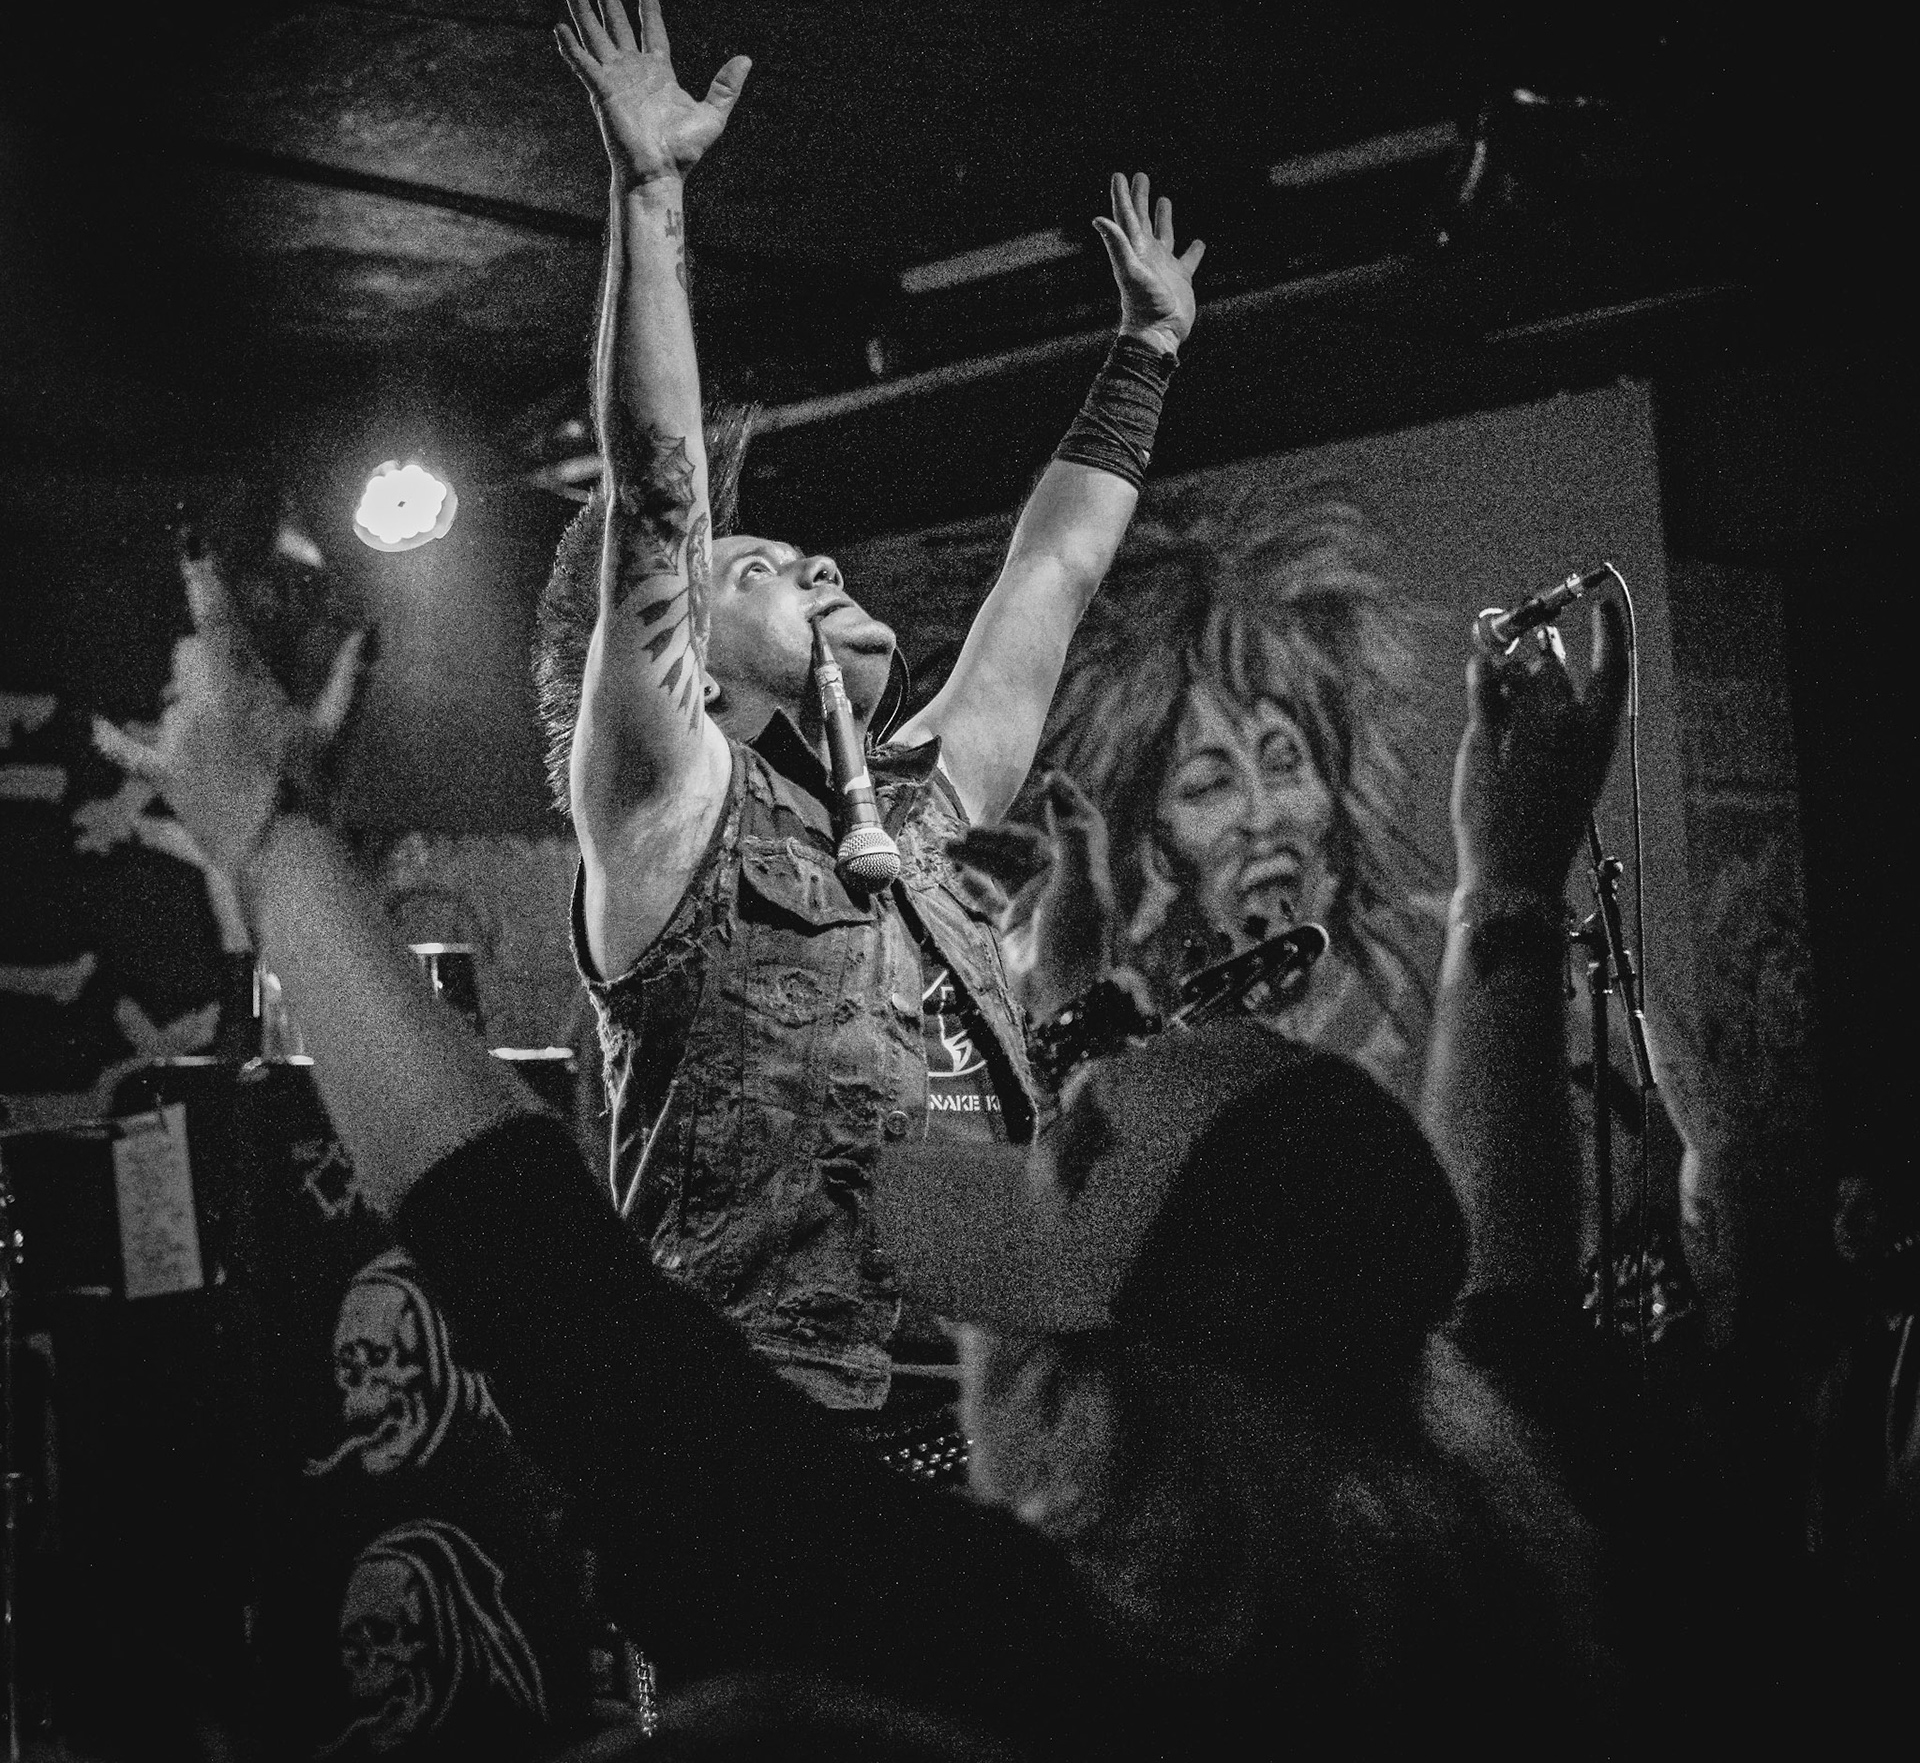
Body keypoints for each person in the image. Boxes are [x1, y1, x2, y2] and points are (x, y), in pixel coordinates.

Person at [100, 549, 1622, 1757]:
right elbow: (1514, 1295)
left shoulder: (997, 1659)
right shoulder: (1503, 1550)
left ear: (1093, 1400)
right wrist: (1509, 871)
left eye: (1053, 1188)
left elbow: (554, 1291)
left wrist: (265, 835)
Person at [534, 0, 1205, 1417]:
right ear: (689, 659)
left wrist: (1147, 351)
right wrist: (649, 194)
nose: (818, 561)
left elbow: (1054, 574)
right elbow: (660, 497)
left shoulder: (926, 814)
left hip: (984, 1421)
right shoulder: (670, 820)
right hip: (769, 1441)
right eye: (762, 569)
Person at [1024, 495, 1438, 1100]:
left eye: (1284, 762)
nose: (1262, 816)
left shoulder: (1439, 968)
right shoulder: (1137, 1044)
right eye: (1208, 785)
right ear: (1156, 843)